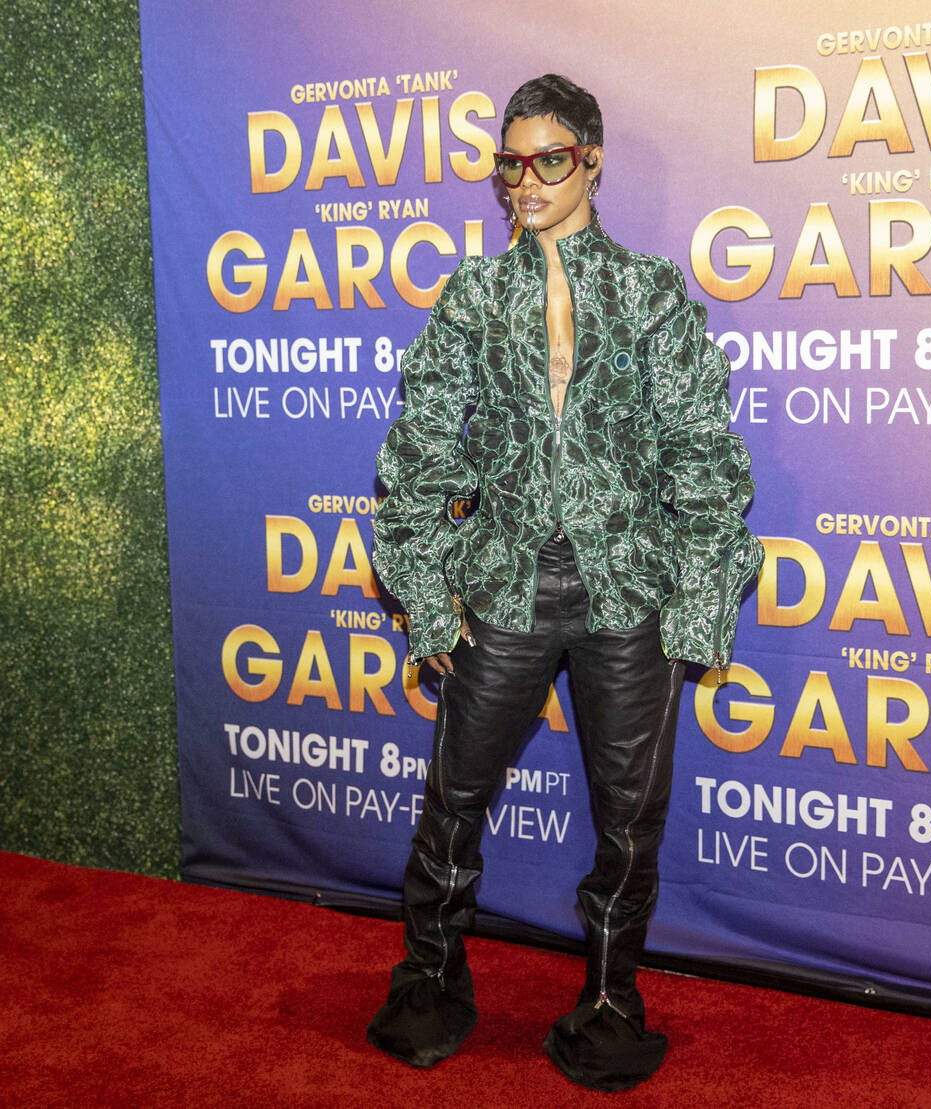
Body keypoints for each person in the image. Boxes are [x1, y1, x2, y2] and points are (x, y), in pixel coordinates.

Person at [367, 73, 762, 1092]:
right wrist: (420, 594)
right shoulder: (473, 295)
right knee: (453, 795)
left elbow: (705, 457)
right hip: (502, 584)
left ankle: (607, 997)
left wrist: (700, 608)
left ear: (590, 159)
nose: (525, 180)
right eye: (511, 161)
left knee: (631, 815)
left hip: (627, 588)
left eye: (549, 159)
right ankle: (432, 976)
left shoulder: (649, 292)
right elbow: (415, 454)